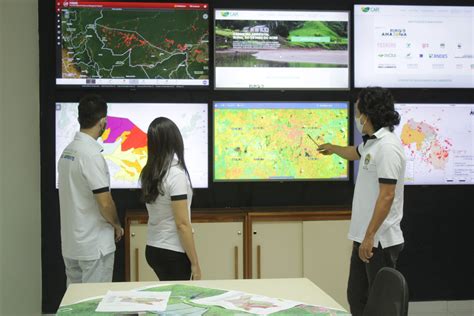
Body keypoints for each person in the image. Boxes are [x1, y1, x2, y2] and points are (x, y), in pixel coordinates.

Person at [318, 87, 406, 316]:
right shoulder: (372, 143)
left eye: (358, 112)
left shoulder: (387, 147)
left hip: (379, 240)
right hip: (365, 238)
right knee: (357, 298)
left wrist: (369, 237)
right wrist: (332, 148)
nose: (357, 118)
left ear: (368, 114)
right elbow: (354, 153)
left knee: (380, 306)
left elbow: (387, 196)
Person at [58, 94, 123, 285]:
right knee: (95, 304)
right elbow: (104, 201)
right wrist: (117, 225)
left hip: (72, 245)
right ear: (102, 122)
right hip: (94, 247)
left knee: (76, 304)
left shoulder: (67, 151)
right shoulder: (91, 155)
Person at [140, 117, 201, 281]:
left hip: (153, 247)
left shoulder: (149, 172)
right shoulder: (175, 174)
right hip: (173, 251)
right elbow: (182, 224)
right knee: (178, 302)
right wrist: (195, 263)